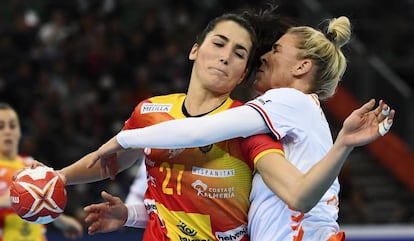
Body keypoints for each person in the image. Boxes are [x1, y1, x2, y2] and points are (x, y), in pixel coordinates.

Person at [82, 16, 395, 241]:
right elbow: (296, 195)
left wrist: (123, 139)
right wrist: (132, 216)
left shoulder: (288, 100)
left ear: (301, 67)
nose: (264, 56)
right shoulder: (290, 122)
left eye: (275, 50)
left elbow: (197, 132)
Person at [57, 8, 292, 241]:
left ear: (242, 74)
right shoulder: (150, 112)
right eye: (219, 44)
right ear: (194, 50)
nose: (225, 57)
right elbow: (111, 161)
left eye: (239, 54)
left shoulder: (249, 124)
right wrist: (60, 177)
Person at [0, 102, 84, 241]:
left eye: (12, 125)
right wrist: (15, 199)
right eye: (1, 126)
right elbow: (30, 199)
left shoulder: (29, 165)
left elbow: (42, 203)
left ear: (19, 131)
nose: (8, 131)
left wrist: (60, 221)